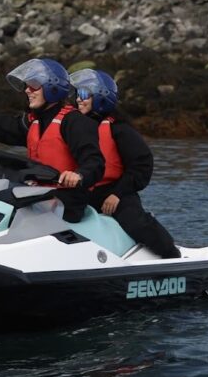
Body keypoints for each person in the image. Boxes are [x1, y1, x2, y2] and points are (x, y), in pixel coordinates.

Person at [0, 56, 104, 222]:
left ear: (53, 87)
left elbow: (94, 162)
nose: (27, 90)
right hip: (36, 198)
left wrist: (79, 175)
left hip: (66, 204)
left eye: (34, 86)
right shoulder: (33, 122)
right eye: (27, 85)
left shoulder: (76, 122)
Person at [70, 67, 181, 258]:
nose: (79, 99)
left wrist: (117, 194)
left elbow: (142, 165)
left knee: (137, 224)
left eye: (84, 94)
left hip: (117, 192)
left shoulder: (120, 130)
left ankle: (172, 256)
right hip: (84, 191)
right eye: (77, 94)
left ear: (101, 96)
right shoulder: (75, 127)